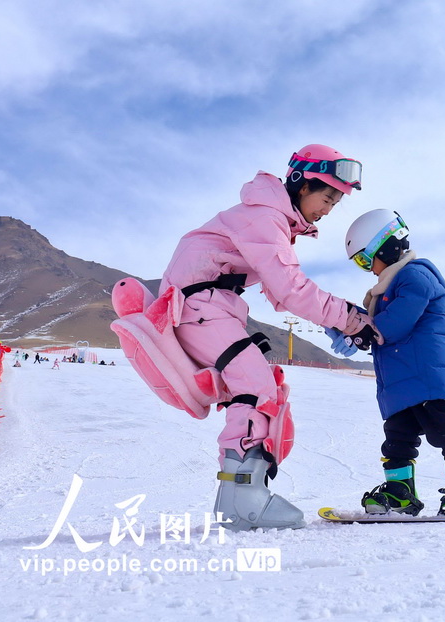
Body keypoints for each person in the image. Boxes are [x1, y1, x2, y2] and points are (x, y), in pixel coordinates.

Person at [160, 144, 380, 531]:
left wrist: (331, 321)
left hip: (206, 306)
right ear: (301, 184)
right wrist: (349, 319)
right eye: (327, 198)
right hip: (198, 307)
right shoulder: (265, 217)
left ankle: (238, 498)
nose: (328, 210)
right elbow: (291, 288)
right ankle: (243, 502)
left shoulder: (267, 216)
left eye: (335, 203)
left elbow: (280, 293)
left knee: (260, 388)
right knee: (256, 387)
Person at [340, 209, 445, 516]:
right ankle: (400, 493)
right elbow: (380, 325)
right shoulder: (384, 290)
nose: (368, 269)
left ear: (385, 246)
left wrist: (368, 331)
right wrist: (350, 324)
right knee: (397, 437)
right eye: (360, 264)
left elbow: (397, 321)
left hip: (427, 377)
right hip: (401, 383)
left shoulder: (415, 275)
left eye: (366, 260)